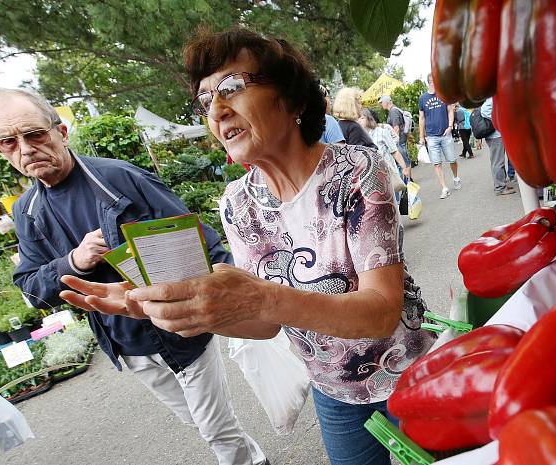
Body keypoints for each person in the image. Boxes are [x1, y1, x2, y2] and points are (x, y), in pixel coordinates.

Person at [60, 27, 436, 465]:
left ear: (293, 99)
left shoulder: (354, 170)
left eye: (232, 87)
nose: (217, 111)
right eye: (205, 100)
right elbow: (265, 324)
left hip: (409, 373)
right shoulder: (239, 203)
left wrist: (262, 296)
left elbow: (380, 311)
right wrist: (179, 308)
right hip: (334, 392)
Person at [0, 88, 268, 465]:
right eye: (7, 141)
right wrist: (73, 262)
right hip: (127, 347)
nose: (25, 149)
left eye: (34, 134)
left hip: (178, 330)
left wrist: (245, 300)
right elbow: (31, 288)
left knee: (216, 430)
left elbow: (197, 237)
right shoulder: (27, 212)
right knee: (196, 422)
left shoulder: (119, 178)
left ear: (61, 132)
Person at [419, 74, 461, 199]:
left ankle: (456, 177)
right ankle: (444, 187)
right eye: (432, 81)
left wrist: (450, 126)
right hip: (431, 136)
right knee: (436, 163)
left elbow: (450, 110)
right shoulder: (423, 98)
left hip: (445, 134)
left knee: (452, 160)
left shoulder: (444, 94)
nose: (434, 84)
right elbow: (421, 117)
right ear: (428, 82)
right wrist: (422, 136)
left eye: (435, 81)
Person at [481, 98, 516, 195]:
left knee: (498, 161)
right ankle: (500, 188)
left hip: (495, 135)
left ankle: (501, 184)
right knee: (498, 162)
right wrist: (499, 122)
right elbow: (484, 111)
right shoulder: (493, 96)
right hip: (496, 135)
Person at [378, 95, 411, 171]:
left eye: (381, 102)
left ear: (386, 102)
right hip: (401, 139)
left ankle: (409, 180)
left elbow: (396, 128)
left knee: (405, 162)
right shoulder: (393, 110)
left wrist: (395, 142)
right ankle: (409, 179)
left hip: (399, 141)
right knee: (405, 160)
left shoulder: (393, 111)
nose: (381, 104)